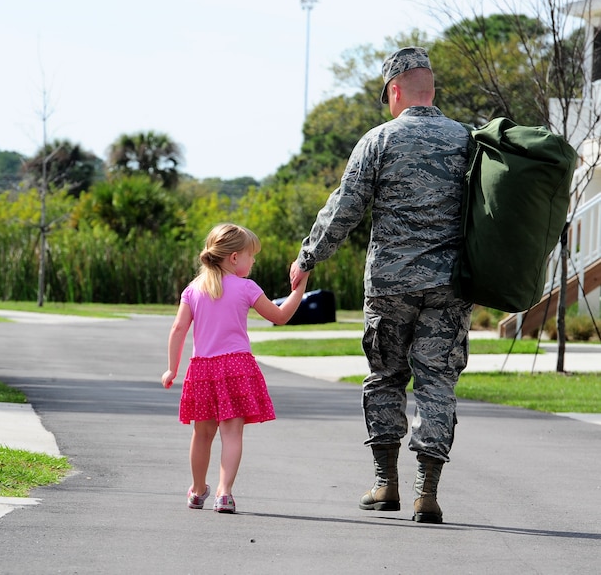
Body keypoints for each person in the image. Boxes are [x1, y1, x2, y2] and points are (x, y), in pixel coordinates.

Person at [289, 47, 473, 524]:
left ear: (394, 90)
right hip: (449, 288)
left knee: (386, 378)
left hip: (390, 286)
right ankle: (426, 492)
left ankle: (384, 484)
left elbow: (345, 207)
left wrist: (308, 256)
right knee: (438, 382)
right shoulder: (467, 140)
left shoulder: (380, 139)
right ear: (431, 89)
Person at [162, 223, 309, 514]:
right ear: (233, 258)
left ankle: (198, 489)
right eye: (250, 255)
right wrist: (301, 286)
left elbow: (178, 328)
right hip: (236, 368)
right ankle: (224, 493)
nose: (253, 261)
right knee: (232, 435)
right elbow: (279, 316)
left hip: (202, 370)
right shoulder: (246, 288)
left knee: (201, 435)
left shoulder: (193, 289)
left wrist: (171, 369)